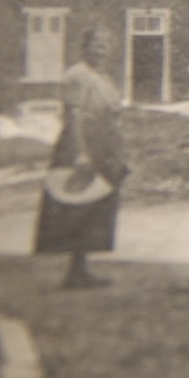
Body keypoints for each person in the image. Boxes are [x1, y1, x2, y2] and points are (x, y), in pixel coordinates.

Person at [34, 27, 128, 289]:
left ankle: (81, 270)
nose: (101, 49)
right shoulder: (77, 75)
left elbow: (111, 114)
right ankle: (74, 272)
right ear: (84, 47)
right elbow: (73, 115)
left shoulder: (102, 77)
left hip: (101, 144)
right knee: (76, 205)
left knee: (95, 206)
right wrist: (81, 152)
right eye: (96, 44)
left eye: (105, 44)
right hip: (81, 144)